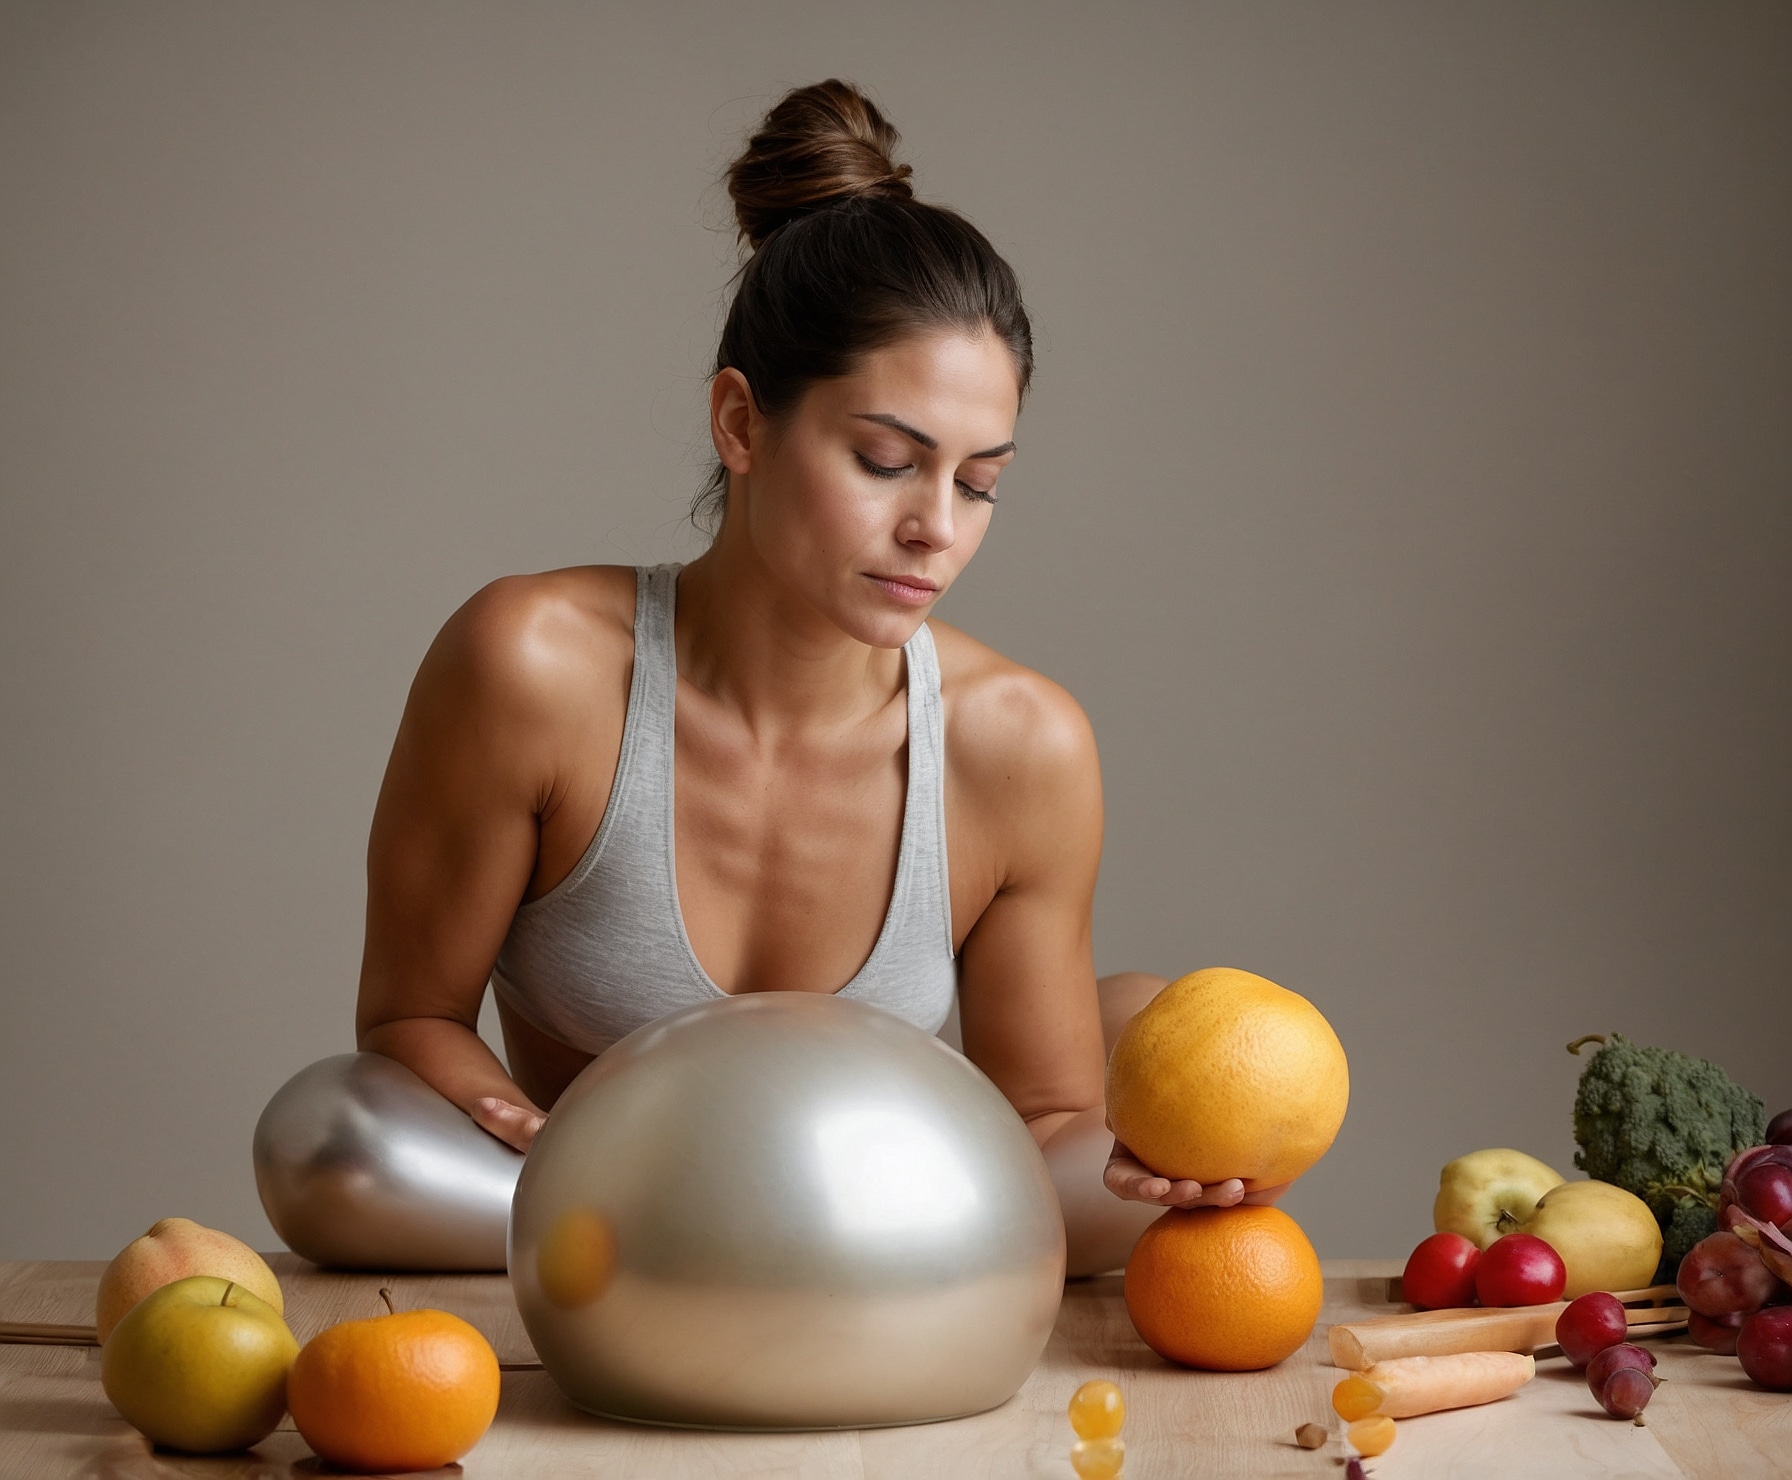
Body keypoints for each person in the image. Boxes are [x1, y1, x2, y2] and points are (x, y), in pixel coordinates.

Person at [318, 80, 1284, 1278]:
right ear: (740, 422)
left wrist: (1167, 1173)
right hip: (601, 1218)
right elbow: (407, 1021)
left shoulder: (1019, 742)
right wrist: (553, 1149)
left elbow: (1042, 1127)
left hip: (887, 1226)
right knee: (327, 1143)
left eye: (979, 483)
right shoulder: (534, 666)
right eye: (887, 461)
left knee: (1168, 1052)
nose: (937, 527)